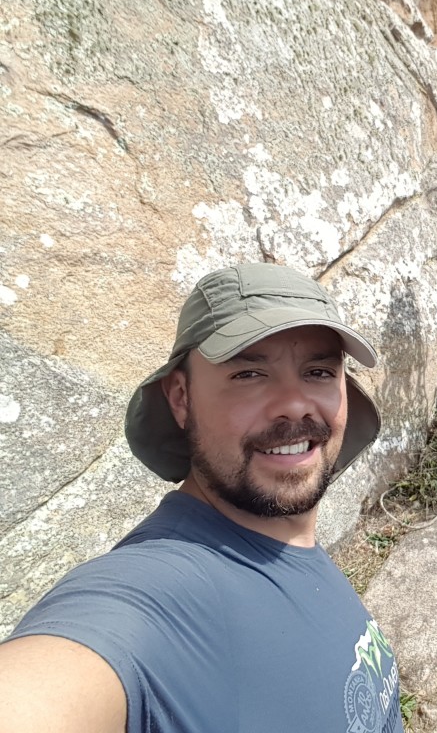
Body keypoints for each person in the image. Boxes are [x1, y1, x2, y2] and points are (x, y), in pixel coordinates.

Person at [0, 263, 402, 733]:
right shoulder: (160, 588)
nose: (294, 403)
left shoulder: (290, 548)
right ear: (181, 398)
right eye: (249, 373)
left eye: (318, 371)